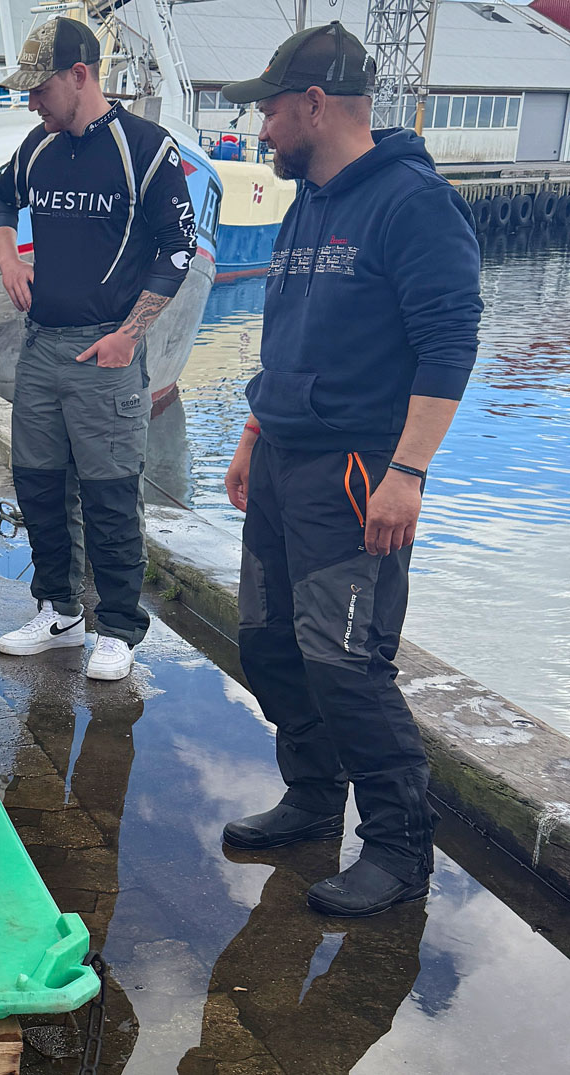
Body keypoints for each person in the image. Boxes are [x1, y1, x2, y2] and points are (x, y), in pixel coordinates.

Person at [217, 22, 481, 917]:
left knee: (347, 662)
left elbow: (449, 343)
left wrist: (409, 471)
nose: (262, 128)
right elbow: (289, 334)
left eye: (271, 110)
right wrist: (253, 433)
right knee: (267, 639)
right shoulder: (308, 202)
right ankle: (312, 794)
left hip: (359, 471)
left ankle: (400, 848)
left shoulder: (412, 203)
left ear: (315, 104)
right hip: (282, 457)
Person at [0, 18, 196, 681]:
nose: (31, 103)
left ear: (80, 75)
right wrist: (8, 258)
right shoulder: (38, 146)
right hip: (41, 344)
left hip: (106, 350)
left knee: (110, 494)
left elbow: (178, 247)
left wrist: (129, 335)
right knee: (39, 484)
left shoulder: (146, 149)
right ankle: (58, 610)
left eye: (40, 89)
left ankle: (120, 626)